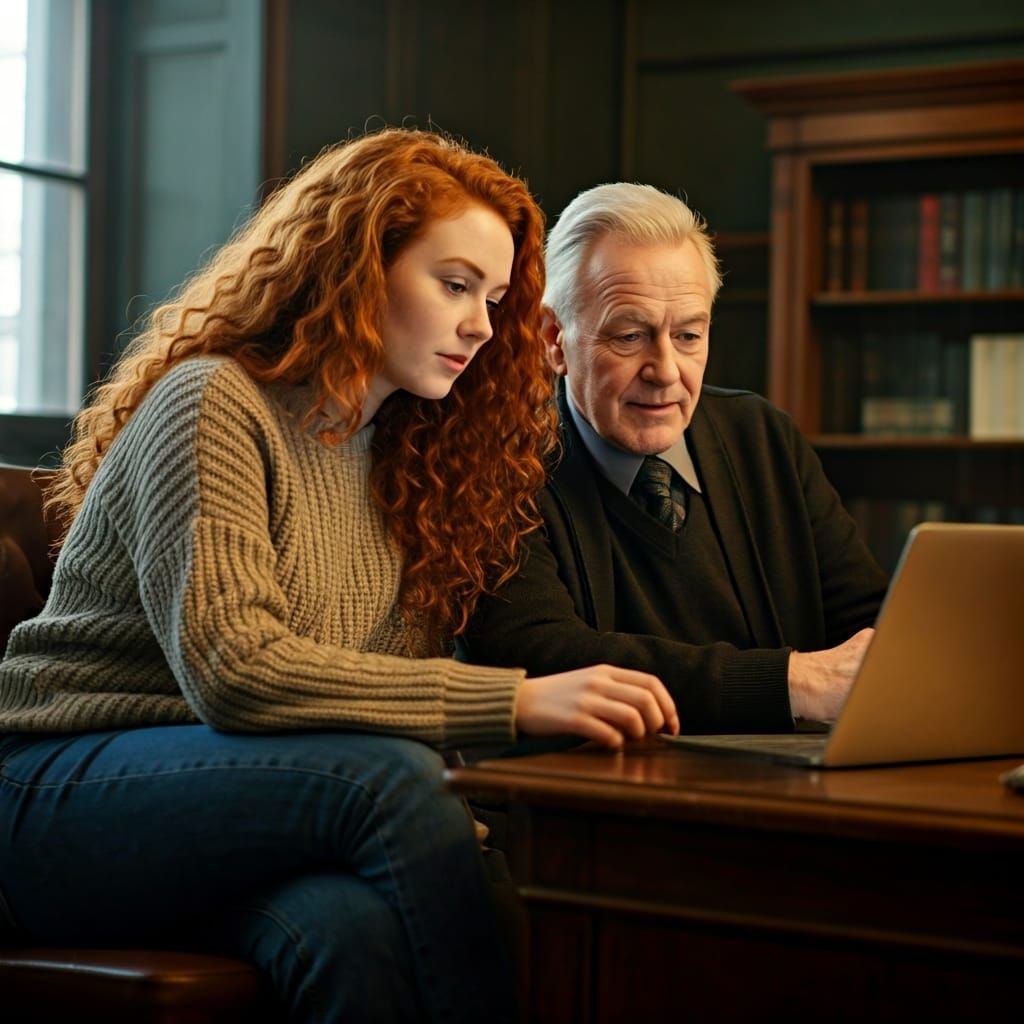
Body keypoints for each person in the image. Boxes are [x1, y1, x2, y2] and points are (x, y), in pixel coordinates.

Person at [0, 132, 679, 1024]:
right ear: (356, 269)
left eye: (495, 298)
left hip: (239, 808)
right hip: (59, 800)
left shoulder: (410, 460)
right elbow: (236, 670)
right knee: (394, 780)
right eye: (455, 284)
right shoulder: (212, 402)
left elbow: (372, 694)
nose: (482, 325)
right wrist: (514, 701)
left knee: (350, 933)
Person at [463, 182, 890, 733]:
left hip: (794, 772)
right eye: (629, 336)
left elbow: (869, 624)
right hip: (601, 779)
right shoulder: (497, 465)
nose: (665, 371)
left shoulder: (762, 437)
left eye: (688, 336)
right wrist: (789, 682)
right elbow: (543, 658)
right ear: (554, 338)